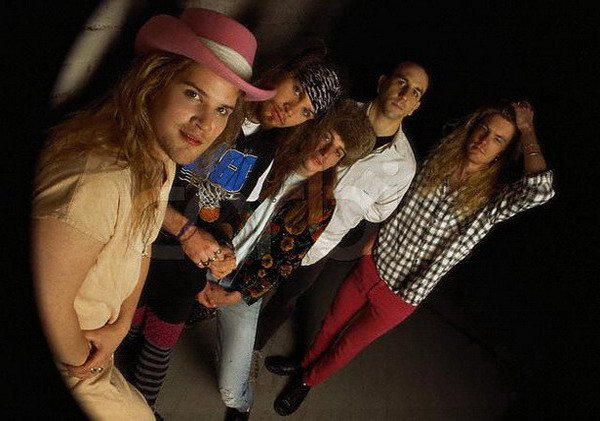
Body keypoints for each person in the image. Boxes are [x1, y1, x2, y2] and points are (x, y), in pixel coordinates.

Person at [30, 8, 273, 420]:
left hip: (99, 342)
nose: (205, 124)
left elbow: (144, 238)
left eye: (222, 110)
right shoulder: (98, 181)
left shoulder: (158, 158)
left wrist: (123, 323)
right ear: (153, 81)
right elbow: (47, 306)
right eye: (194, 94)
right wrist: (85, 359)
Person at [268, 100, 555, 415]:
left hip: (404, 293)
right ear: (473, 128)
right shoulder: (438, 162)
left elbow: (540, 189)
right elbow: (400, 202)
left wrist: (526, 128)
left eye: (498, 139)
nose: (485, 141)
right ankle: (304, 363)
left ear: (503, 151)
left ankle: (306, 381)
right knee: (331, 323)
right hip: (375, 263)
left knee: (349, 345)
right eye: (483, 130)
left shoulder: (493, 198)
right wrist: (375, 238)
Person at [117, 50, 342, 413]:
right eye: (297, 90)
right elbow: (137, 180)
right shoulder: (216, 110)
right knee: (123, 328)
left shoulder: (271, 150)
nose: (291, 110)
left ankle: (142, 408)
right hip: (142, 237)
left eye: (306, 112)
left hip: (187, 258)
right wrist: (188, 232)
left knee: (162, 339)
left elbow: (230, 211)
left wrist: (224, 246)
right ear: (281, 70)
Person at [199, 99, 375, 420]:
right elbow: (215, 203)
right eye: (327, 137)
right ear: (313, 129)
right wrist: (204, 266)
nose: (326, 153)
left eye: (338, 152)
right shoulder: (267, 156)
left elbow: (285, 261)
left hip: (243, 288)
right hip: (205, 257)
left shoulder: (321, 204)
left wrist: (235, 295)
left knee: (231, 390)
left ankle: (243, 404)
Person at [254, 61, 430, 353]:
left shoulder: (404, 165)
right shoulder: (339, 111)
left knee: (287, 296)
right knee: (247, 266)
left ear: (416, 106)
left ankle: (254, 348)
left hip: (321, 241)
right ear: (382, 82)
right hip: (277, 212)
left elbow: (379, 212)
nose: (404, 94)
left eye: (415, 92)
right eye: (401, 82)